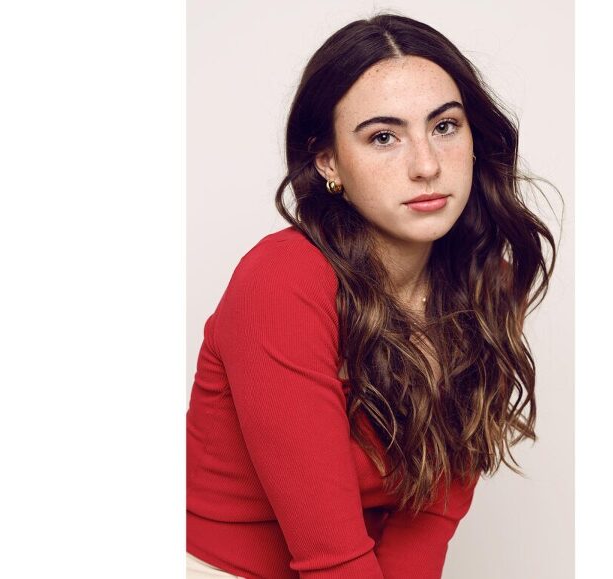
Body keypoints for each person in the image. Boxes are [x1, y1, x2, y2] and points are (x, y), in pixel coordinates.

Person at [187, 12, 557, 579]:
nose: (426, 165)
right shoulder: (283, 281)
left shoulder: (486, 283)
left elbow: (426, 525)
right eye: (383, 137)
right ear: (328, 160)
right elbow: (330, 557)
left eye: (445, 126)